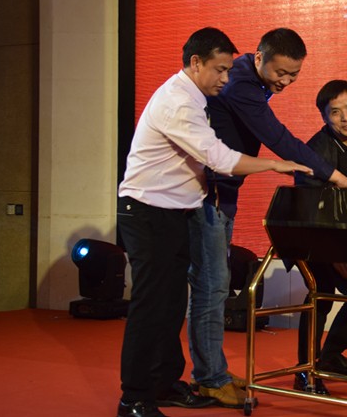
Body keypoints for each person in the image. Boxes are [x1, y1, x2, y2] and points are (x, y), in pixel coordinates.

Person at [116, 27, 312, 417]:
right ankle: (134, 398)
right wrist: (274, 164)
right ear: (196, 63)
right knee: (151, 307)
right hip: (147, 213)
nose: (226, 77)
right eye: (220, 70)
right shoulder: (179, 102)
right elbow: (218, 158)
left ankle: (164, 384)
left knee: (172, 304)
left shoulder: (196, 97)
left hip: (175, 212)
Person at [186, 28, 347, 408]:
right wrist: (333, 175)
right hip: (208, 194)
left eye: (294, 75)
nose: (286, 82)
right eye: (281, 73)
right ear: (259, 58)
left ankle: (210, 371)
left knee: (212, 286)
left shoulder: (249, 78)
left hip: (222, 193)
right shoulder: (242, 84)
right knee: (212, 287)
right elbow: (278, 139)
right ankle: (210, 377)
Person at [291, 79, 347, 394]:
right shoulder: (314, 151)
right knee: (320, 295)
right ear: (324, 117)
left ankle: (330, 356)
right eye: (335, 112)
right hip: (313, 237)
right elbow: (308, 211)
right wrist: (334, 253)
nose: (346, 118)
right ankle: (304, 371)